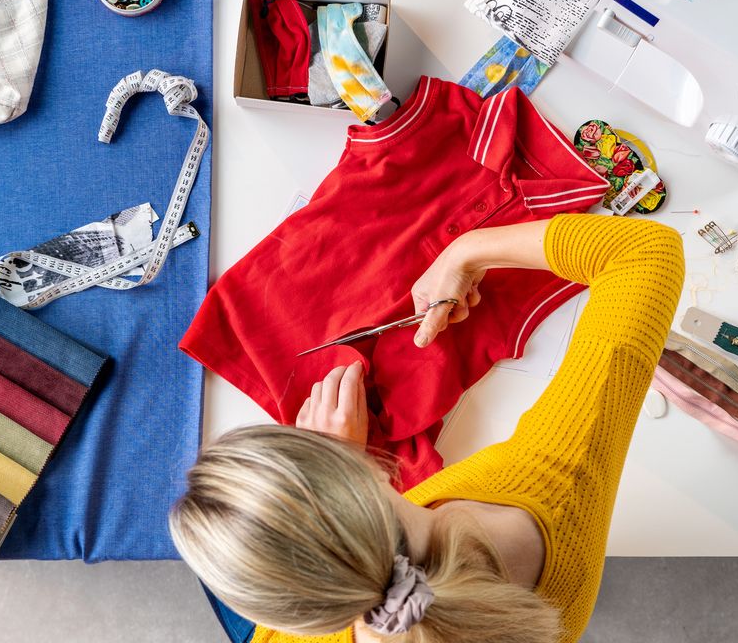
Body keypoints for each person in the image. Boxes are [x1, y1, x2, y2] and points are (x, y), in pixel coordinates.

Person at [170, 214, 685, 642]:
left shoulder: (338, 619)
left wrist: (343, 471)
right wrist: (465, 252)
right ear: (356, 476)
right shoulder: (555, 478)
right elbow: (645, 253)